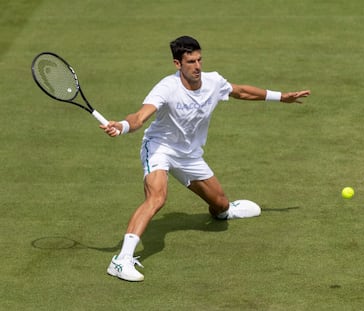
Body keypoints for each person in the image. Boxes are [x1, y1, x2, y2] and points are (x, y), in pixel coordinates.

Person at [101, 35, 310, 282]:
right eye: (190, 61)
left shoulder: (213, 81)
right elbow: (140, 116)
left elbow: (240, 91)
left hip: (190, 155)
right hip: (161, 149)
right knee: (157, 197)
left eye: (199, 59)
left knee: (220, 205)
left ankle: (226, 210)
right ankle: (121, 260)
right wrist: (124, 126)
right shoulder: (166, 88)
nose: (197, 66)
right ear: (177, 64)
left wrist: (281, 96)